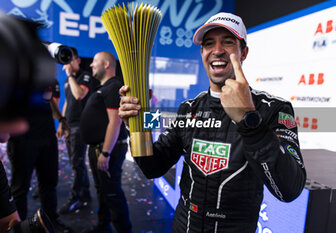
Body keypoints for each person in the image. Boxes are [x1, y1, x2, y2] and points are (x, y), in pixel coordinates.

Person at [119, 12, 306, 233]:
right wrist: (136, 127)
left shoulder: (273, 109)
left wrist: (249, 119)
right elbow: (153, 167)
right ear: (202, 54)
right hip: (184, 225)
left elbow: (288, 190)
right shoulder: (188, 109)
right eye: (209, 44)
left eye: (227, 42)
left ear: (243, 52)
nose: (217, 50)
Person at [7, 80, 73, 233]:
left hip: (47, 138)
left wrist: (62, 119)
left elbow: (49, 102)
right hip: (22, 140)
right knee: (19, 188)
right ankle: (19, 228)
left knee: (49, 183)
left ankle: (51, 221)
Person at [80, 52, 132, 233]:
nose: (91, 66)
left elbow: (115, 121)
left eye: (95, 62)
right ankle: (103, 225)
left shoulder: (113, 87)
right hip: (98, 148)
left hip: (107, 149)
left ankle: (124, 230)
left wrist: (105, 152)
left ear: (107, 65)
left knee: (111, 192)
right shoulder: (105, 87)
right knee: (103, 190)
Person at [57, 47, 95, 215]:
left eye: (70, 59)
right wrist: (61, 122)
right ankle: (85, 192)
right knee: (77, 162)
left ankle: (76, 198)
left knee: (76, 163)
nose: (67, 64)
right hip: (70, 124)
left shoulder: (85, 76)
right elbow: (68, 101)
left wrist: (71, 75)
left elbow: (79, 94)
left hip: (81, 125)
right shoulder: (68, 81)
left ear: (77, 60)